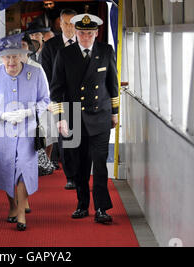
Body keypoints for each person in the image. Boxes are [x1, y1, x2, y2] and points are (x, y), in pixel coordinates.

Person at [49, 14, 119, 224]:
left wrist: (115, 113)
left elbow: (112, 84)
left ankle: (101, 208)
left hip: (100, 115)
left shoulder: (106, 51)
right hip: (72, 116)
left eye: (90, 33)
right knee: (79, 165)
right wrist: (60, 117)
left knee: (99, 163)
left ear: (96, 33)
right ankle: (82, 205)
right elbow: (56, 89)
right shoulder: (64, 54)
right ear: (75, 33)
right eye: (81, 33)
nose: (86, 36)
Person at [0, 34, 50, 231]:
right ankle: (12, 205)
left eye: (15, 56)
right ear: (1, 58)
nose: (11, 61)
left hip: (27, 132)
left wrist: (30, 111)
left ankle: (21, 212)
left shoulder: (35, 74)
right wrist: (1, 115)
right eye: (7, 57)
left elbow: (45, 99)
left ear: (22, 55)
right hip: (3, 132)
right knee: (7, 170)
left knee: (23, 171)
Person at [41, 8, 78, 190]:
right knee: (67, 138)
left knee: (83, 139)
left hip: (85, 100)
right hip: (61, 100)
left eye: (73, 24)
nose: (70, 28)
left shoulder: (87, 42)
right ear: (60, 25)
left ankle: (81, 172)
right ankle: (71, 176)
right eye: (66, 24)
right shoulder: (50, 46)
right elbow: (46, 76)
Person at [20, 33, 56, 178]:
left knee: (48, 125)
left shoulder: (37, 68)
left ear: (28, 48)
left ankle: (44, 161)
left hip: (36, 107)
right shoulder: (8, 67)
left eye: (23, 46)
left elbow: (45, 92)